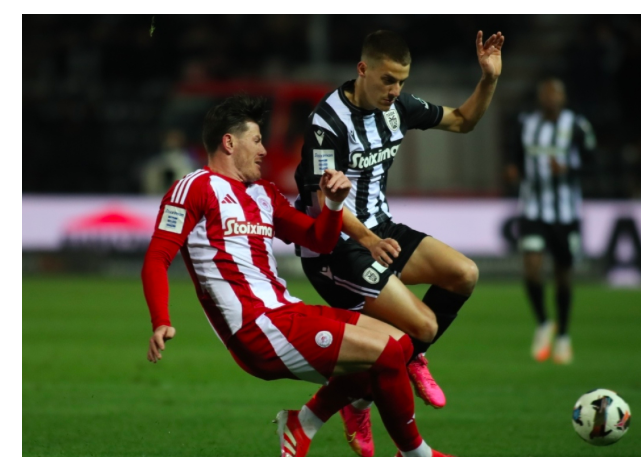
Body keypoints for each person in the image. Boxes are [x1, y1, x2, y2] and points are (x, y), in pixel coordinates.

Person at [141, 95, 454, 457]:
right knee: (384, 353)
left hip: (285, 310)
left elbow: (319, 240)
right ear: (229, 142)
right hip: (257, 328)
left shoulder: (264, 194)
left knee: (402, 345)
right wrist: (161, 320)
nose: (263, 150)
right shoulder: (195, 188)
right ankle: (417, 455)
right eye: (256, 140)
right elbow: (157, 257)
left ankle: (303, 423)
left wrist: (333, 204)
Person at [293, 29, 504, 457]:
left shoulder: (398, 108)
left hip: (380, 230)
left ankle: (366, 392)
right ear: (362, 69)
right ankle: (386, 379)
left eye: (402, 81)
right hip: (335, 245)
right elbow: (321, 201)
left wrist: (489, 79)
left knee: (464, 274)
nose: (395, 90)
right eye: (388, 80)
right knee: (423, 326)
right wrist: (369, 239)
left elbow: (463, 121)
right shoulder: (327, 122)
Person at [504, 77, 596, 364]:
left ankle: (564, 334)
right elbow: (514, 154)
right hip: (532, 209)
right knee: (531, 267)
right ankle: (544, 322)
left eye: (555, 94)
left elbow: (593, 162)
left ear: (563, 98)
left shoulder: (577, 125)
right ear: (539, 98)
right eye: (546, 94)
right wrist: (513, 168)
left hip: (566, 214)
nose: (550, 98)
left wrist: (568, 170)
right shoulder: (526, 124)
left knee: (563, 274)